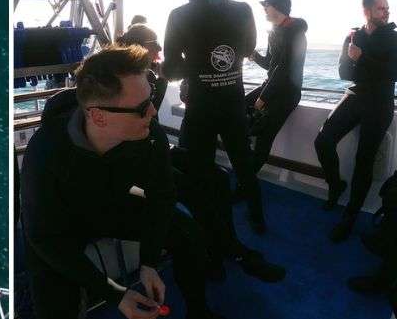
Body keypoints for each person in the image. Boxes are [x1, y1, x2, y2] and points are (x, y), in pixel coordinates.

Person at [21, 45, 223, 319]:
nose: (153, 111)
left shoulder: (149, 135)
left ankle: (199, 312)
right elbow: (42, 236)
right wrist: (115, 293)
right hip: (61, 224)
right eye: (141, 108)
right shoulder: (46, 149)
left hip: (111, 203)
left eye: (150, 100)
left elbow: (161, 197)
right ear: (99, 116)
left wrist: (149, 262)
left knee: (188, 233)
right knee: (54, 304)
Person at [117, 27, 286, 283]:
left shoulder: (154, 78)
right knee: (195, 189)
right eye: (153, 44)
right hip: (130, 159)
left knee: (218, 177)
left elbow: (150, 124)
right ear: (134, 47)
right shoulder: (119, 84)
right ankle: (221, 253)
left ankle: (227, 247)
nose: (160, 50)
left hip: (153, 148)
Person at [161, 0, 266, 233]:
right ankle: (258, 220)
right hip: (233, 103)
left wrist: (196, 66)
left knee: (200, 171)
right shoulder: (243, 10)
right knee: (244, 164)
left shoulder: (179, 15)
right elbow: (246, 49)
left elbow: (169, 69)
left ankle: (210, 231)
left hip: (201, 107)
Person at [314, 0, 397, 242]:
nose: (387, 12)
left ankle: (350, 216)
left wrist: (362, 59)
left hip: (380, 102)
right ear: (367, 11)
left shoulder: (394, 38)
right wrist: (357, 62)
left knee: (364, 159)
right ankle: (335, 184)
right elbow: (343, 72)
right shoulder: (353, 36)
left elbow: (394, 73)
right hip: (355, 95)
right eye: (381, 8)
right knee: (323, 141)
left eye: (387, 8)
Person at [244, 0, 308, 175]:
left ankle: (246, 181)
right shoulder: (274, 31)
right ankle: (246, 159)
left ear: (278, 7)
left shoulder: (296, 33)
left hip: (287, 93)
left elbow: (285, 69)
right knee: (239, 109)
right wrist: (255, 56)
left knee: (264, 138)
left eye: (267, 5)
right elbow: (270, 65)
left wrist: (263, 97)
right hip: (272, 85)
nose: (264, 7)